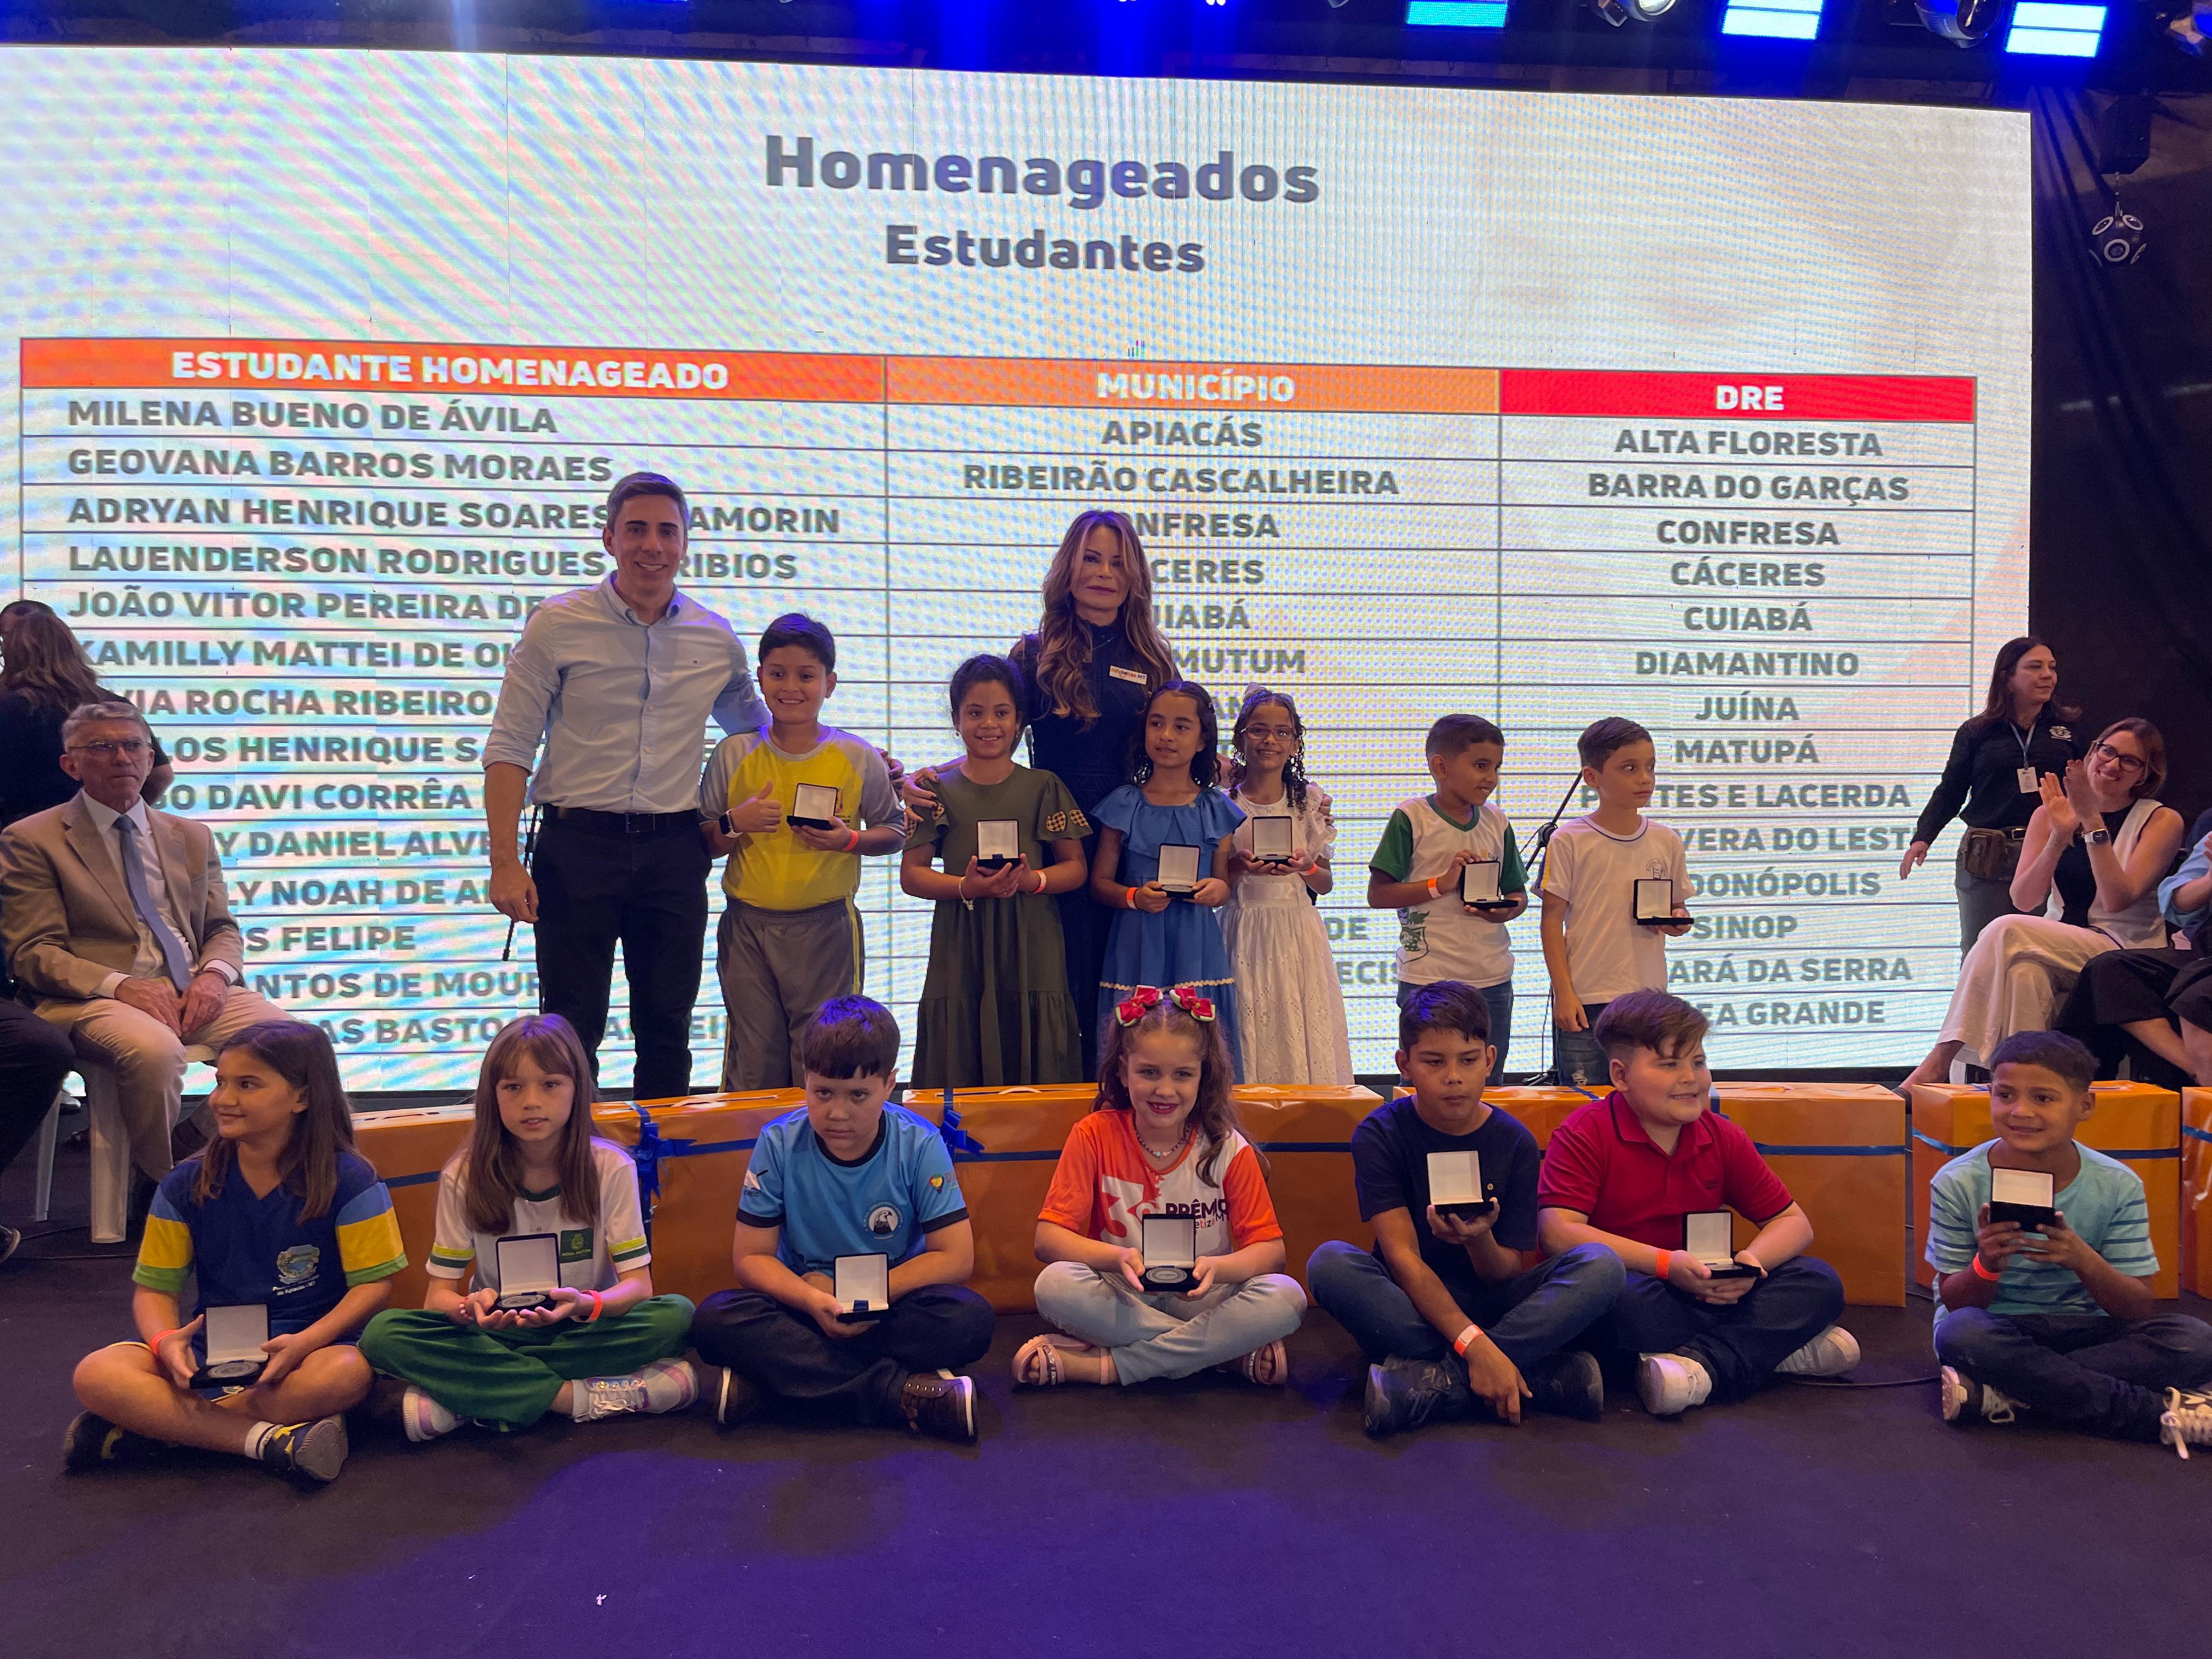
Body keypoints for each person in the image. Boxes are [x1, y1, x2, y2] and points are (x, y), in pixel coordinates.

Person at [483, 471, 770, 1101]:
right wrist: (504, 864)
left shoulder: (715, 637)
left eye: (667, 531)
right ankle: (573, 1160)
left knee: (667, 1029)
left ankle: (660, 1159)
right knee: (569, 1028)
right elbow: (509, 748)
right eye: (636, 530)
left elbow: (763, 732)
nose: (652, 546)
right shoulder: (557, 624)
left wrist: (862, 759)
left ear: (685, 543)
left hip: (674, 849)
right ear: (609, 538)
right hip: (576, 847)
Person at [63, 1023, 404, 1482]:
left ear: (302, 1097)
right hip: (210, 1352)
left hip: (310, 1350)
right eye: (221, 1082)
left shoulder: (352, 1179)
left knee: (345, 1373)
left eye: (247, 1085)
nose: (222, 1099)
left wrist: (305, 1342)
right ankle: (269, 1441)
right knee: (96, 1373)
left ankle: (158, 1428)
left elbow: (373, 1286)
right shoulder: (184, 1183)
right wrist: (166, 1343)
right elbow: (155, 1291)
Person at [905, 510, 1178, 1073]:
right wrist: (931, 776)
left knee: (1124, 988)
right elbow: (994, 738)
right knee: (1058, 984)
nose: (1103, 573)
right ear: (1067, 569)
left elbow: (1176, 743)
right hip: (1050, 838)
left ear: (1135, 576)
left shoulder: (1153, 656)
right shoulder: (1033, 653)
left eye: (1118, 562)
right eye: (1091, 559)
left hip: (1130, 841)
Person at [356, 1014, 701, 1442]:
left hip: (583, 1329)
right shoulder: (463, 1176)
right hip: (498, 1336)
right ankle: (577, 1398)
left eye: (550, 1084)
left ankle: (471, 1398)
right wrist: (469, 1308)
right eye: (514, 1087)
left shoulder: (610, 1167)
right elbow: (437, 1297)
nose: (532, 1102)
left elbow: (638, 1288)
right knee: (383, 1333)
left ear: (577, 1088)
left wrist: (583, 1303)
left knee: (676, 1316)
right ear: (493, 1096)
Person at [1307, 983, 1623, 1438]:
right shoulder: (1380, 1133)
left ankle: (1436, 1383)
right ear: (1405, 1064)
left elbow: (1505, 1273)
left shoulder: (1514, 1141)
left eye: (1468, 1060)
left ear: (1490, 1060)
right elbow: (1403, 1259)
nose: (1453, 1077)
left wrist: (1479, 1240)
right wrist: (1476, 1346)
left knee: (1601, 1265)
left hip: (1498, 1308)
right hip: (1413, 1304)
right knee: (1330, 1263)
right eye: (1434, 1062)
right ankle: (1532, 1373)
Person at [0, 699, 290, 1195]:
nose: (122, 758)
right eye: (101, 747)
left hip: (191, 987)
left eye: (133, 746)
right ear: (71, 765)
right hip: (93, 996)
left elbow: (221, 928)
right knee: (155, 1052)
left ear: (150, 758)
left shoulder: (190, 836)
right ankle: (161, 1190)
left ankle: (194, 1148)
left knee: (296, 1046)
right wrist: (123, 986)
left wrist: (215, 976)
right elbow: (34, 952)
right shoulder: (32, 839)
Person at [1536, 992, 1859, 1417]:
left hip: (1706, 1285)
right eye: (1670, 1065)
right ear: (1620, 1075)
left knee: (1818, 1281)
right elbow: (1558, 1232)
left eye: (1699, 1062)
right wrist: (1665, 1264)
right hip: (1641, 1287)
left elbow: (1794, 1222)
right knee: (1622, 1306)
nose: (1691, 1078)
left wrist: (1750, 1265)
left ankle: (1700, 1366)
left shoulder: (1721, 1135)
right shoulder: (1585, 1132)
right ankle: (1767, 1352)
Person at [689, 997, 989, 1443]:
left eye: (858, 1096)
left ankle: (775, 1386)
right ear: (805, 1080)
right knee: (714, 1321)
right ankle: (901, 1393)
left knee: (969, 1320)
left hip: (887, 1304)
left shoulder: (920, 1144)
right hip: (805, 1305)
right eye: (823, 1093)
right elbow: (750, 1258)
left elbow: (956, 1257)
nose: (838, 1113)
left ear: (889, 1085)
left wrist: (866, 1297)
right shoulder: (778, 1143)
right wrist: (813, 1300)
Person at [1926, 1030, 2212, 1456]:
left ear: (2085, 1106)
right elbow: (1956, 1302)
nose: (2021, 1111)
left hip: (2091, 1330)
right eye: (2005, 1095)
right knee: (1961, 1333)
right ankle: (2150, 1413)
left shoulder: (2118, 1184)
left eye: (2043, 1098)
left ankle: (2010, 1393)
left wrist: (2082, 1259)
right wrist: (1987, 1264)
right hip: (1999, 1327)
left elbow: (2136, 1306)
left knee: (2196, 1339)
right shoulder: (1957, 1181)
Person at [1018, 984, 1306, 1390]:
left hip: (1203, 1298)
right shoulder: (1093, 1135)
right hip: (1125, 1295)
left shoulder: (1227, 1146)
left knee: (1287, 1296)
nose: (1165, 1090)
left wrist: (1216, 1268)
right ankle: (1224, 1354)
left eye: (1183, 1075)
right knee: (1054, 1285)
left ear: (1203, 1075)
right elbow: (1048, 1239)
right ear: (1124, 1071)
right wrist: (1118, 1258)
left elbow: (1271, 1253)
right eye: (1149, 1072)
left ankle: (1110, 1367)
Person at [1900, 720, 2180, 1090]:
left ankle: (1940, 1061)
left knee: (2005, 928)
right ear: (2092, 752)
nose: (2113, 765)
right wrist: (2059, 836)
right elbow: (2025, 899)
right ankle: (2027, 1088)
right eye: (2108, 751)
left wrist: (2091, 821)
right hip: (2062, 942)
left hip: (2123, 953)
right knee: (2024, 974)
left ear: (2145, 774)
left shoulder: (2161, 820)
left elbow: (2117, 901)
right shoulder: (2049, 814)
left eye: (2130, 761)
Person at [698, 612, 905, 1090]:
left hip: (827, 928)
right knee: (753, 1062)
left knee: (824, 1058)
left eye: (806, 676)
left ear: (830, 683)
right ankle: (755, 1143)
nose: (791, 687)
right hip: (748, 929)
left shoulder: (857, 755)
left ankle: (820, 1141)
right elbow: (702, 842)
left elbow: (894, 831)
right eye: (778, 674)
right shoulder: (733, 753)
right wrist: (734, 823)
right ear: (760, 679)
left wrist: (848, 840)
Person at [900, 654, 1091, 1086]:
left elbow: (1075, 868)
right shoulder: (932, 791)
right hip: (961, 941)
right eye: (975, 713)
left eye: (1002, 713)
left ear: (1019, 720)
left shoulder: (1044, 786)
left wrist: (1033, 881)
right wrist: (965, 887)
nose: (989, 724)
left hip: (1032, 939)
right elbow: (912, 875)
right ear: (956, 720)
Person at [1089, 680, 1245, 1070]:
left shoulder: (1215, 807)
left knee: (1199, 1045)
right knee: (1133, 1043)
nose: (1166, 736)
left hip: (1197, 942)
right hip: (1137, 941)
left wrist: (1216, 890)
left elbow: (1223, 884)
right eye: (1156, 724)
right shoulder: (1125, 803)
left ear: (1202, 739)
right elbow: (1100, 884)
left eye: (1181, 726)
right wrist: (1134, 898)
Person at [1367, 713, 1526, 1086]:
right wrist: (1441, 884)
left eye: (1497, 768)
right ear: (1441, 767)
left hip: (1491, 978)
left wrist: (1503, 911)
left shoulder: (1497, 821)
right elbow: (1378, 894)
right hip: (1427, 978)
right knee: (1424, 1086)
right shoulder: (1412, 817)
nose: (1491, 778)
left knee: (1487, 1086)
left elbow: (1517, 895)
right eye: (1481, 766)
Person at [1900, 636, 2086, 953]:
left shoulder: (2067, 731)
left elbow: (2087, 794)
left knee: (2040, 952)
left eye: (2052, 667)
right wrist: (1923, 837)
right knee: (1981, 950)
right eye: (2035, 667)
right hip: (1988, 854)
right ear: (2008, 677)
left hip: (2049, 852)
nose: (2048, 675)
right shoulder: (1977, 732)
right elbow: (1951, 790)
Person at [1538, 717, 1691, 1089]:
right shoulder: (1570, 840)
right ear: (1592, 777)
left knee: (1645, 1097)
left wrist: (1677, 920)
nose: (1645, 779)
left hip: (1648, 999)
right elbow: (1551, 922)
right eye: (1629, 768)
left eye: (1651, 767)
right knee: (1586, 1100)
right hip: (1586, 997)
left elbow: (1677, 910)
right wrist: (1564, 994)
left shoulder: (1666, 840)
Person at [1222, 686, 1352, 1085]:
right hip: (1242, 929)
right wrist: (1239, 867)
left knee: (1300, 1022)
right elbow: (1216, 884)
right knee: (1249, 1023)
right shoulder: (1224, 802)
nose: (1270, 740)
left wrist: (1306, 867)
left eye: (1282, 732)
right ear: (1241, 737)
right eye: (1259, 730)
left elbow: (1325, 884)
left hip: (1298, 931)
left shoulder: (1310, 802)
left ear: (1295, 743)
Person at [2057, 805, 2212, 1086]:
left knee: (2196, 996)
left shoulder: (2159, 817)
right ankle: (2197, 1070)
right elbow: (2175, 902)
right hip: (2202, 948)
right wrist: (2210, 881)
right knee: (2109, 969)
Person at [0, 606, 172, 827]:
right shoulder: (115, 706)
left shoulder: (8, 707)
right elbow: (161, 775)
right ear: (71, 648)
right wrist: (118, 819)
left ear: (14, 654)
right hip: (100, 835)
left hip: (17, 835)